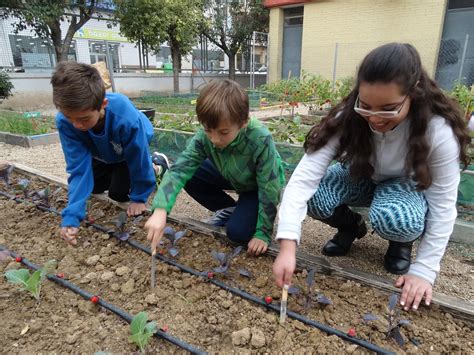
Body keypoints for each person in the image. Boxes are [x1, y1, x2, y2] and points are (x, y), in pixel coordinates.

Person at [273, 43, 471, 311]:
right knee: (318, 195)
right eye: (366, 106)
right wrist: (287, 245)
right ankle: (352, 226)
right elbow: (305, 176)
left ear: (413, 94)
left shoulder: (437, 130)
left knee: (395, 217)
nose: (375, 118)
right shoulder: (349, 117)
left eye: (388, 108)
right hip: (362, 174)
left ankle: (400, 243)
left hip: (402, 185)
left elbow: (443, 205)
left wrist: (424, 270)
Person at [145, 79, 285, 255]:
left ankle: (245, 210)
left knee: (238, 233)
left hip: (255, 187)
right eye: (208, 130)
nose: (215, 139)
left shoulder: (260, 138)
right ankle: (229, 208)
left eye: (224, 132)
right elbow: (180, 169)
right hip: (230, 173)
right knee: (191, 172)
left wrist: (262, 233)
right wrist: (160, 210)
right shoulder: (208, 135)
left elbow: (269, 187)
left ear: (243, 122)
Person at [52, 61, 168, 246]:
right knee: (94, 188)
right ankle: (113, 168)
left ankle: (157, 165)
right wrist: (72, 217)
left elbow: (137, 158)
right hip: (101, 151)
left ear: (102, 104)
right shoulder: (66, 122)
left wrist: (140, 196)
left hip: (129, 148)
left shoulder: (125, 117)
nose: (77, 125)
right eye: (69, 118)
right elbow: (78, 169)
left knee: (119, 194)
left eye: (83, 119)